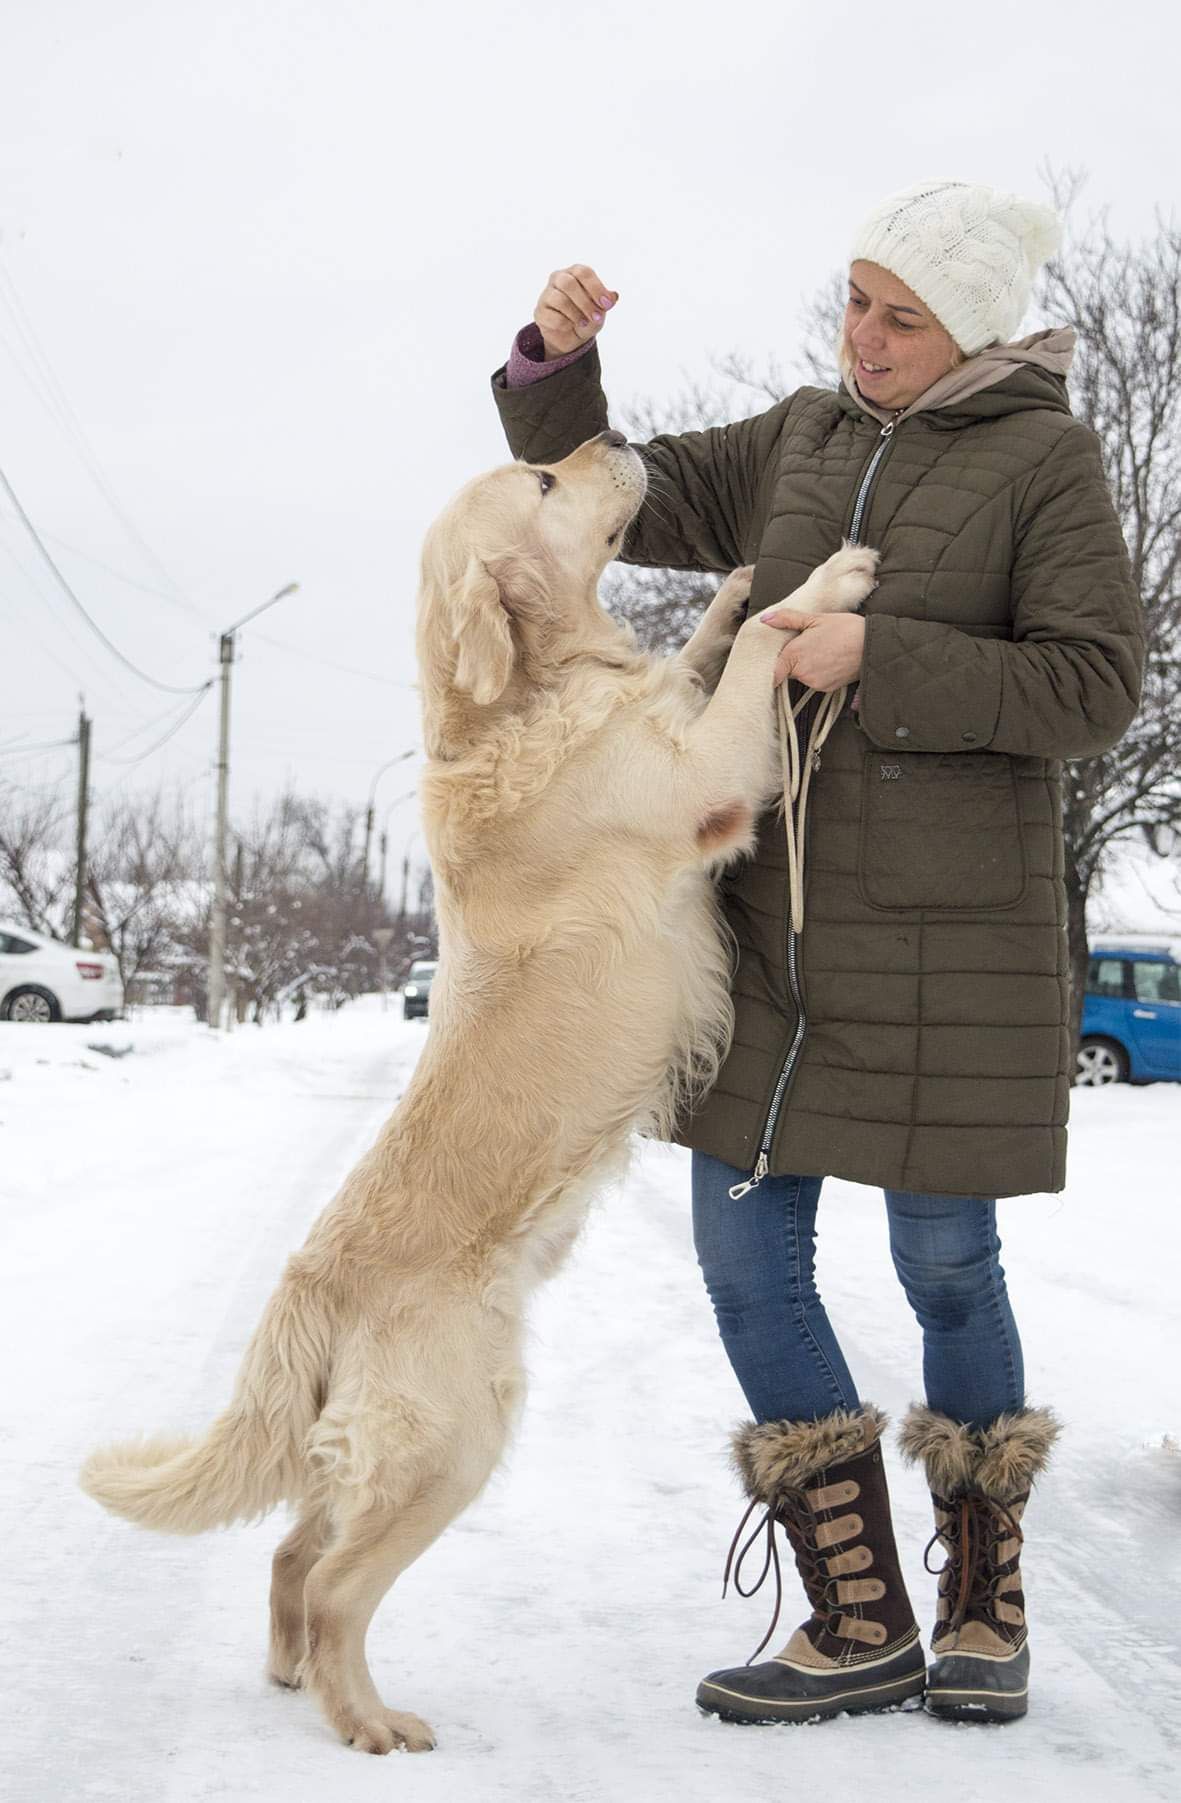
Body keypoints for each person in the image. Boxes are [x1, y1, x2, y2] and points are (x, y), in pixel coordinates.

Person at [489, 181, 1143, 1725]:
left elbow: (1095, 680)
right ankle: (859, 1618)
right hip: (761, 938)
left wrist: (886, 655)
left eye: (901, 313)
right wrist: (554, 361)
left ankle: (985, 1602)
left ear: (971, 325)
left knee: (942, 1262)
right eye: (855, 299)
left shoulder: (1042, 461)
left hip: (946, 946)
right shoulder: (800, 434)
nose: (865, 335)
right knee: (739, 1260)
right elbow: (607, 488)